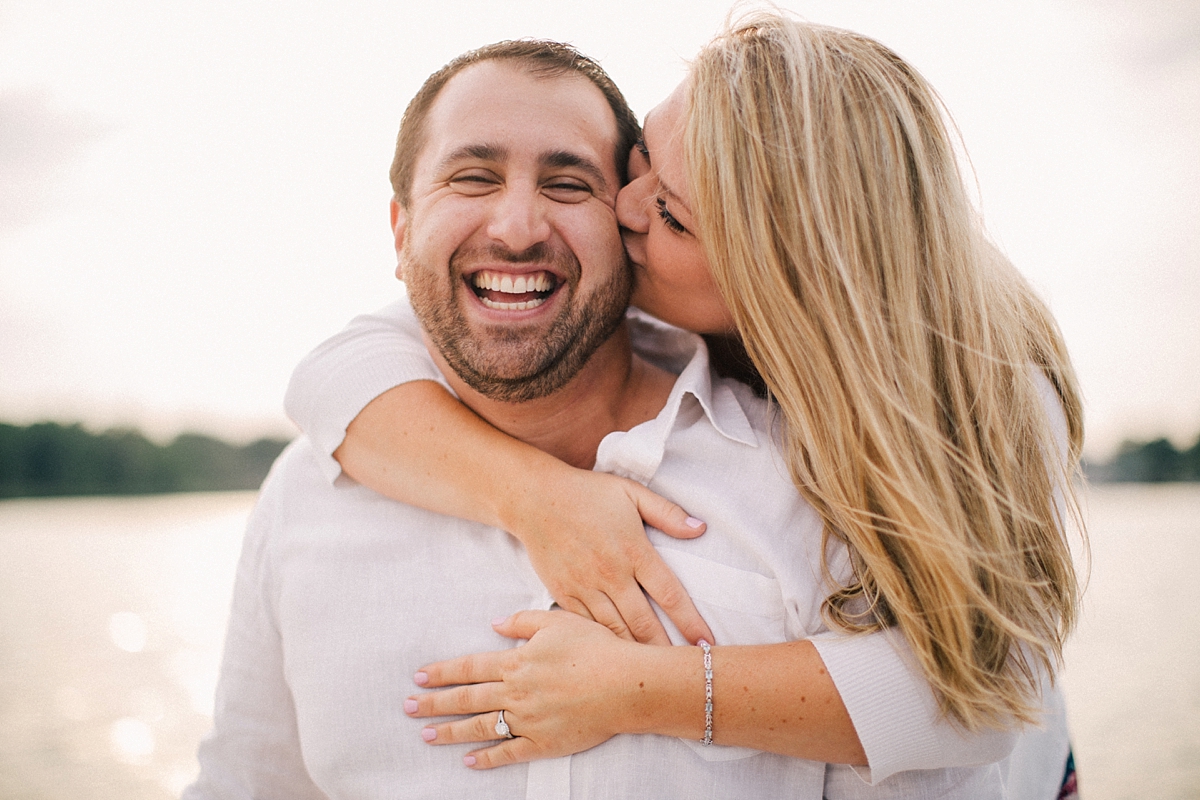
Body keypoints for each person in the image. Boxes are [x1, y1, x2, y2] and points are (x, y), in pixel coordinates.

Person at [186, 33, 1041, 800]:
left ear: (772, 281)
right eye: (472, 176)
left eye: (578, 186)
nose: (521, 225)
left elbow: (986, 701)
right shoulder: (312, 484)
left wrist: (653, 688)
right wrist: (533, 495)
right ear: (400, 229)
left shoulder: (858, 470)